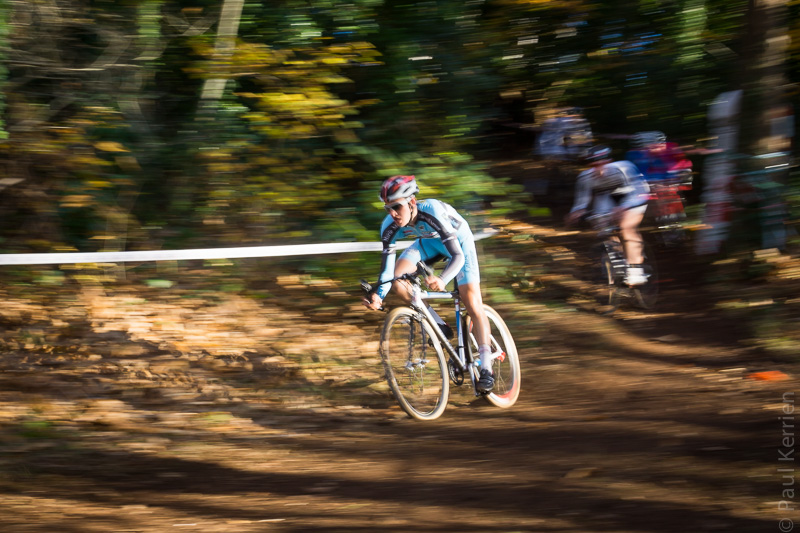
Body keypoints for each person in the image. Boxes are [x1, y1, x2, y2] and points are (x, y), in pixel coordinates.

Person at [362, 175, 495, 392]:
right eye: (388, 208)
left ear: (412, 202)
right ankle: (438, 324)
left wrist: (442, 279)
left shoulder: (431, 211)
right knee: (398, 281)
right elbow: (386, 270)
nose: (393, 214)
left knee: (470, 300)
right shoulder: (389, 225)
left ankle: (487, 368)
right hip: (428, 244)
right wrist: (379, 295)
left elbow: (457, 256)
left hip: (459, 245)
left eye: (397, 207)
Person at [566, 145, 651, 286]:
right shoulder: (585, 177)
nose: (599, 167)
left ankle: (636, 270)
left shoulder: (624, 168)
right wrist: (576, 212)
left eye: (602, 163)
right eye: (594, 164)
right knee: (604, 229)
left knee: (626, 227)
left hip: (633, 196)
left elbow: (639, 193)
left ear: (609, 161)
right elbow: (581, 202)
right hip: (606, 199)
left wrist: (624, 207)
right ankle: (619, 257)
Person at [626, 131, 692, 184]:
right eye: (645, 148)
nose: (645, 150)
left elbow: (682, 168)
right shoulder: (636, 155)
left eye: (655, 147)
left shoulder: (671, 150)